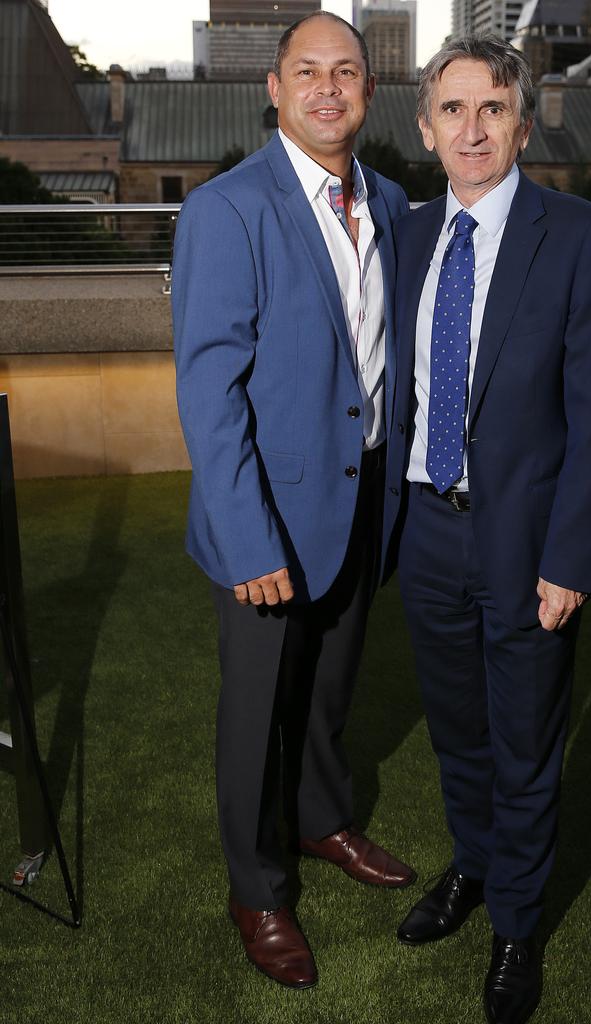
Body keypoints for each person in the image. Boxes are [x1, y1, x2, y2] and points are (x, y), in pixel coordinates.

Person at [382, 36, 591, 1024]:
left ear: (522, 122)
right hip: (427, 533)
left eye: (492, 108)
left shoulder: (575, 235)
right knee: (460, 732)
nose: (472, 128)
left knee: (525, 739)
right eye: (453, 109)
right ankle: (474, 868)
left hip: (526, 539)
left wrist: (572, 554)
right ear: (426, 127)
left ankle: (518, 924)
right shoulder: (406, 234)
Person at [172, 12, 415, 991]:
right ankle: (256, 886)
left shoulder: (393, 200)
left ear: (367, 90)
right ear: (273, 89)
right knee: (257, 710)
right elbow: (209, 392)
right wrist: (245, 540)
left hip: (362, 495)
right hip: (264, 518)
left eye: (346, 71)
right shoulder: (226, 210)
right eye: (306, 71)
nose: (327, 88)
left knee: (329, 688)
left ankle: (322, 819)